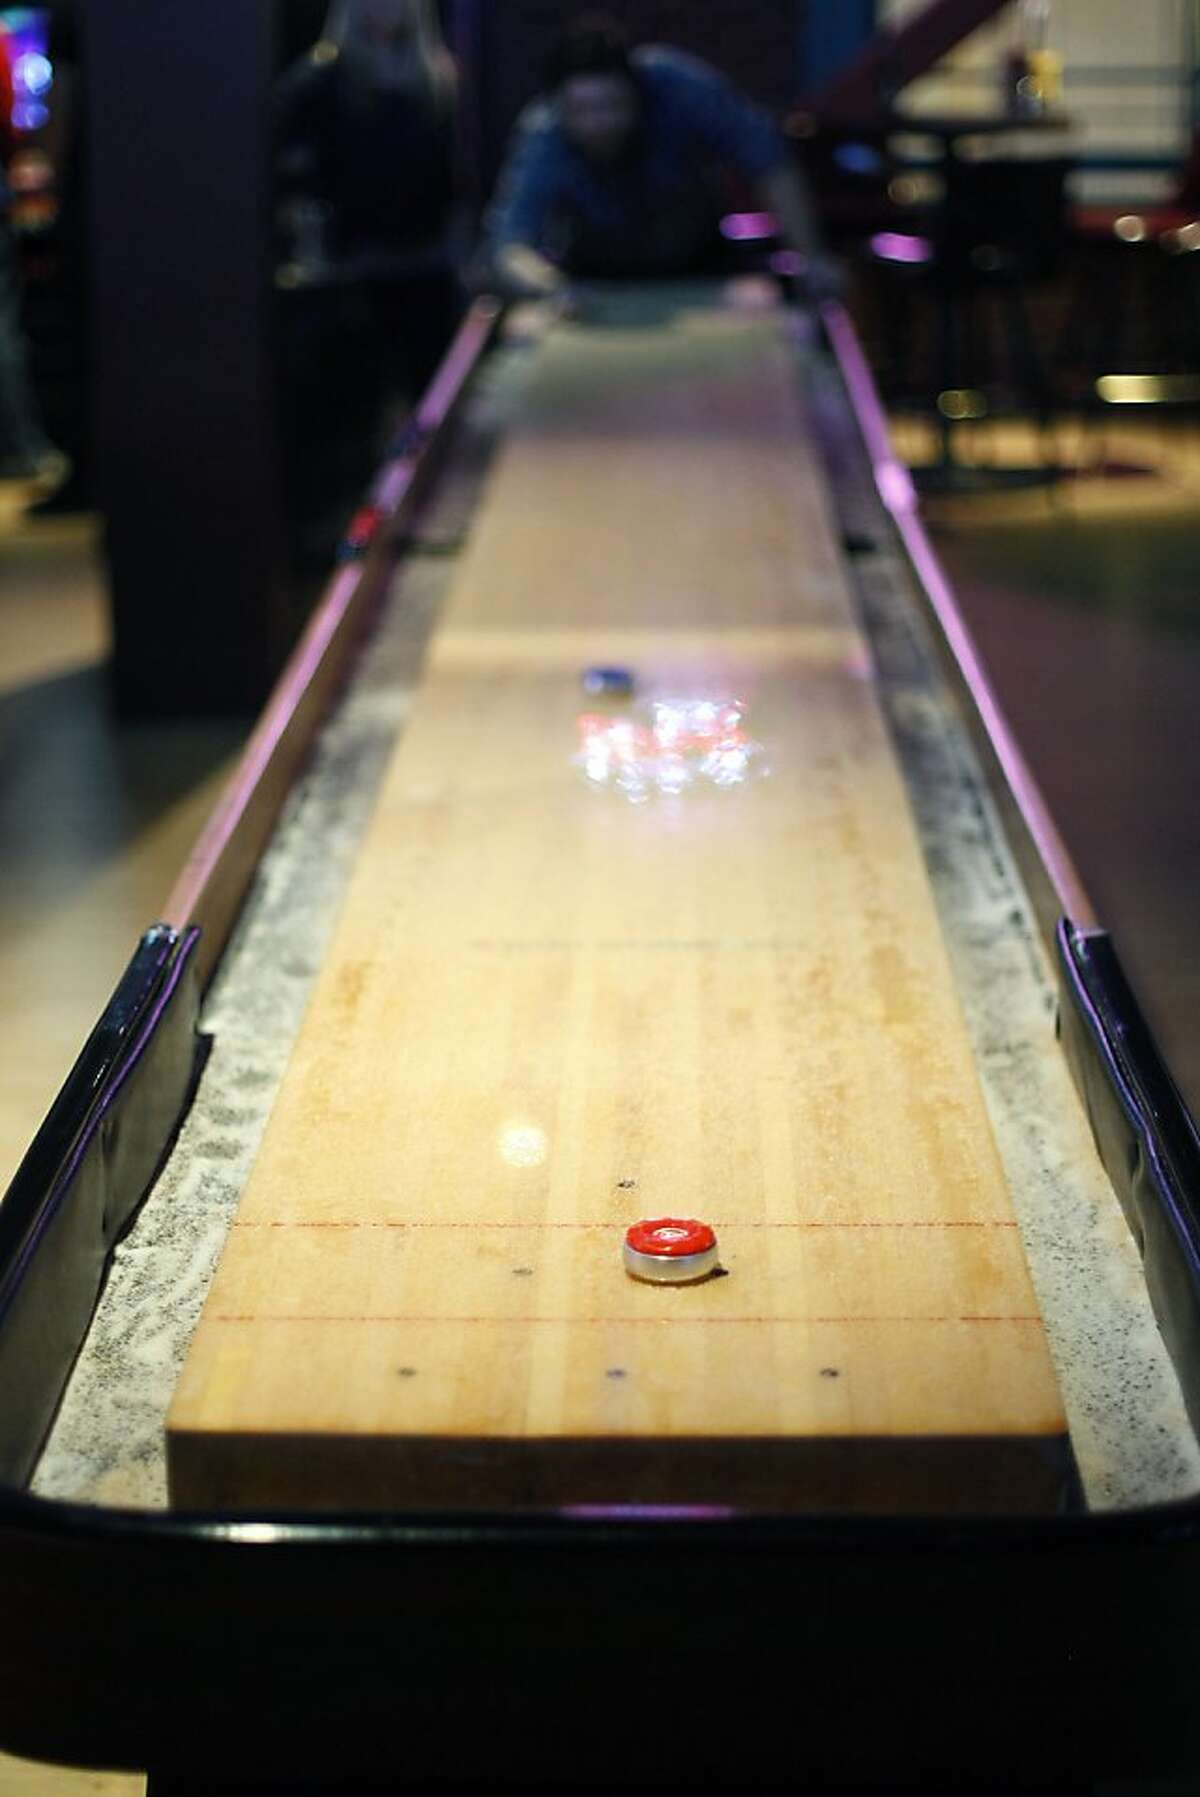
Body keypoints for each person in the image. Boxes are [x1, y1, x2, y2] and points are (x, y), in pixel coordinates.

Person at [485, 14, 840, 301]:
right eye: (582, 111)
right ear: (561, 108)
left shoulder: (676, 86)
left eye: (611, 106)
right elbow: (511, 247)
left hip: (702, 270)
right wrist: (550, 287)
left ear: (635, 93)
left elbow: (770, 161)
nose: (598, 124)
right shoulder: (543, 134)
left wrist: (813, 259)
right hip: (596, 284)